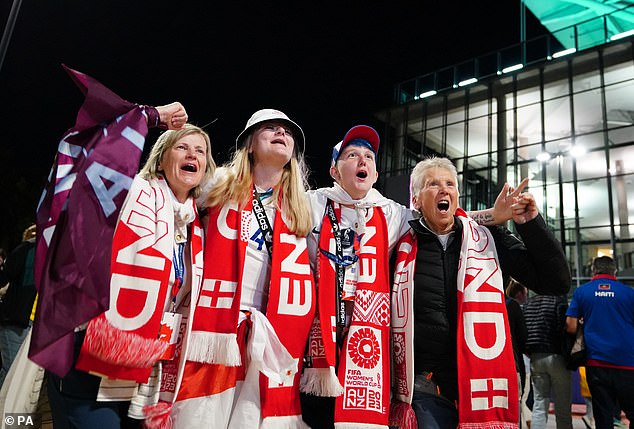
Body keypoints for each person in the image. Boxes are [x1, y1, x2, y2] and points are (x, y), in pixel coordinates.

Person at [299, 127, 528, 428]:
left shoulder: (391, 213)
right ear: (334, 169)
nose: (362, 161)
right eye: (352, 155)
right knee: (315, 416)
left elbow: (441, 216)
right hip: (319, 336)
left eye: (368, 156)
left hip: (368, 340)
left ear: (376, 174)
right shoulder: (309, 203)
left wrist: (494, 216)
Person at [47, 115, 215, 429]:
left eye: (201, 151)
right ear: (162, 159)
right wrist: (149, 116)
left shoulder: (197, 226)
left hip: (149, 367)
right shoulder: (131, 191)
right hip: (92, 353)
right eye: (183, 147)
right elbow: (94, 161)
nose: (193, 155)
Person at [391, 156, 571, 429]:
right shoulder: (398, 243)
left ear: (457, 195)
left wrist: (530, 224)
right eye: (433, 184)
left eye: (450, 184)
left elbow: (555, 282)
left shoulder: (489, 238)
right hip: (427, 385)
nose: (444, 189)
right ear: (415, 201)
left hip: (484, 382)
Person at [170, 109, 315, 428]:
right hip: (217, 325)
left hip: (270, 335)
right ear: (249, 144)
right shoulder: (220, 184)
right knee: (201, 416)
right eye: (271, 129)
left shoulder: (302, 207)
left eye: (288, 132)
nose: (282, 134)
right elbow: (177, 206)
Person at [565, 256, 634, 429]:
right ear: (615, 271)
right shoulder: (629, 293)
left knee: (603, 416)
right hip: (627, 363)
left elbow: (570, 326)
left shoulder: (582, 292)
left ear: (594, 270)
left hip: (596, 363)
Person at [524, 293, 572, 429]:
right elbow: (564, 328)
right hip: (557, 357)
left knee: (539, 405)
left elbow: (524, 331)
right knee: (562, 408)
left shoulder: (529, 303)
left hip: (535, 357)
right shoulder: (558, 300)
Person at [0, 224, 37, 388]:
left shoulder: (61, 254)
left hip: (40, 328)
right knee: (13, 377)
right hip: (17, 323)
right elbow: (4, 276)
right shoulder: (26, 250)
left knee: (24, 382)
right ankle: (10, 414)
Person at [505, 278, 529, 428]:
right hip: (512, 364)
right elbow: (523, 338)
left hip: (486, 366)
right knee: (514, 407)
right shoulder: (512, 306)